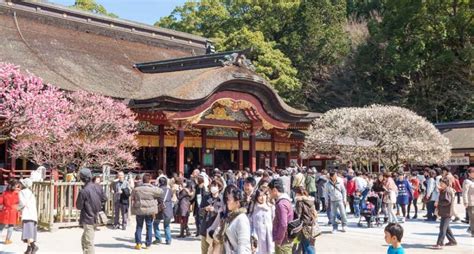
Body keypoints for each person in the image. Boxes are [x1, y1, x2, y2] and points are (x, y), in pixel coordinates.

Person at [77, 168, 106, 254]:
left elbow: (79, 206)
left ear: (82, 178)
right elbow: (105, 198)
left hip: (88, 217)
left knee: (88, 242)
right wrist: (98, 203)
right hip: (96, 216)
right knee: (85, 239)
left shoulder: (83, 191)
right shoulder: (98, 187)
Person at [131, 173, 163, 250]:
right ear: (150, 180)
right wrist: (155, 185)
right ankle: (148, 244)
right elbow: (161, 192)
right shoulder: (152, 189)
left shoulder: (137, 189)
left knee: (139, 226)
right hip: (150, 210)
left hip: (139, 210)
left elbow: (132, 196)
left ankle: (138, 243)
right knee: (149, 226)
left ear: (142, 180)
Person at [218, 185, 251, 254]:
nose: (227, 202)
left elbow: (243, 245)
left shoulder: (241, 219)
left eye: (229, 200)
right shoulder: (232, 217)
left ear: (237, 203)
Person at [199, 179, 225, 254]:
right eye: (212, 185)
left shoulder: (223, 199)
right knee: (204, 251)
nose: (213, 187)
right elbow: (200, 212)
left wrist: (215, 210)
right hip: (205, 228)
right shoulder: (205, 197)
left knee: (215, 251)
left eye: (215, 186)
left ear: (219, 188)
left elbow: (224, 214)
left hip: (216, 230)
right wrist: (205, 209)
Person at [269, 178, 293, 254]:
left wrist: (279, 239)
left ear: (275, 190)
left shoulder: (281, 204)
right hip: (286, 238)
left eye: (270, 191)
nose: (269, 193)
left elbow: (283, 224)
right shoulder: (285, 200)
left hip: (283, 240)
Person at [432, 178, 457, 249]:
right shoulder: (444, 190)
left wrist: (438, 203)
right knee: (446, 228)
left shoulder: (447, 191)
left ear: (446, 184)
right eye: (440, 183)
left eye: (442, 183)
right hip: (444, 212)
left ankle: (440, 243)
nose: (440, 185)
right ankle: (452, 241)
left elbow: (447, 201)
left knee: (442, 228)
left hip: (447, 212)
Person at [248, 189, 274, 254]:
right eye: (260, 196)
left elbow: (273, 219)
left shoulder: (271, 207)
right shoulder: (253, 208)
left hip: (269, 234)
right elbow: (250, 222)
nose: (262, 198)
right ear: (257, 197)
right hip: (257, 235)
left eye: (264, 195)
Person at [294, 187, 318, 254]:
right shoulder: (311, 201)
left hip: (304, 226)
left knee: (307, 245)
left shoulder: (299, 202)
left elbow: (298, 215)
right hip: (312, 225)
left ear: (298, 193)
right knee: (308, 244)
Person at [18, 178, 38, 254]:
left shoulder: (21, 192)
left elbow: (22, 203)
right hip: (33, 214)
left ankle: (33, 246)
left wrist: (17, 208)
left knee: (27, 233)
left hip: (27, 214)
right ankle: (28, 249)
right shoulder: (31, 192)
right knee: (30, 232)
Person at [153, 176, 173, 245]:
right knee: (167, 225)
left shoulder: (158, 190)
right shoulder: (169, 190)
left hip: (160, 209)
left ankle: (158, 238)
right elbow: (171, 196)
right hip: (168, 209)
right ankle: (168, 240)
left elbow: (155, 198)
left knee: (155, 224)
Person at [0, 179, 20, 245]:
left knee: (1, 226)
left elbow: (0, 202)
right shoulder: (16, 193)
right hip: (13, 211)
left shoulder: (4, 193)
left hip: (5, 210)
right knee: (11, 226)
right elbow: (18, 201)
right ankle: (7, 240)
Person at [462, 167, 474, 237]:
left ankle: (470, 229)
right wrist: (465, 202)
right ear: (469, 173)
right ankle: (473, 232)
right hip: (470, 202)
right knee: (472, 218)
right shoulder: (466, 181)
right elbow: (465, 192)